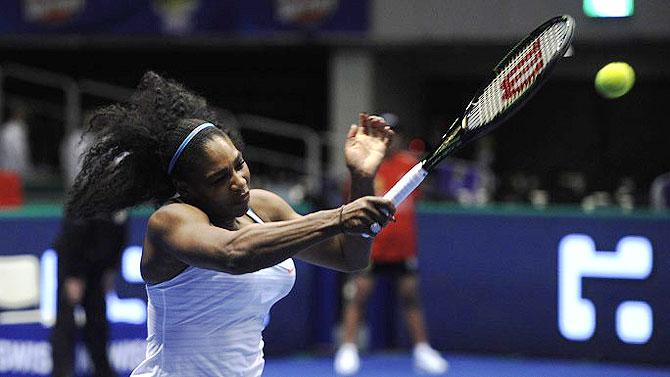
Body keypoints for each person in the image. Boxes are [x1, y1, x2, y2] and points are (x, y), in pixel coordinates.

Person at [64, 71, 396, 377]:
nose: (239, 182)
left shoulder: (263, 206)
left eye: (239, 164)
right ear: (187, 189)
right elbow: (234, 254)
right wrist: (338, 217)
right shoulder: (170, 221)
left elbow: (349, 257)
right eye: (220, 178)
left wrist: (361, 180)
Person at [334, 116, 448, 375]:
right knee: (358, 297)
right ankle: (348, 349)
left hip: (403, 249)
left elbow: (425, 192)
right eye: (388, 132)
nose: (392, 138)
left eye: (396, 132)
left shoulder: (411, 166)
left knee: (411, 297)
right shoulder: (365, 169)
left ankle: (422, 351)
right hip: (371, 248)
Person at [51, 113, 128, 377]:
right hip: (74, 261)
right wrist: (73, 276)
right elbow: (74, 235)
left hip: (98, 265)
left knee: (97, 320)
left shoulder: (118, 191)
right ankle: (61, 372)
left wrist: (110, 269)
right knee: (66, 321)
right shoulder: (86, 187)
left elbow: (119, 233)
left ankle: (102, 370)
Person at [0, 103, 32, 177]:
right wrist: (26, 169)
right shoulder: (17, 130)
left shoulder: (5, 128)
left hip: (5, 168)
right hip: (13, 170)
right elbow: (19, 151)